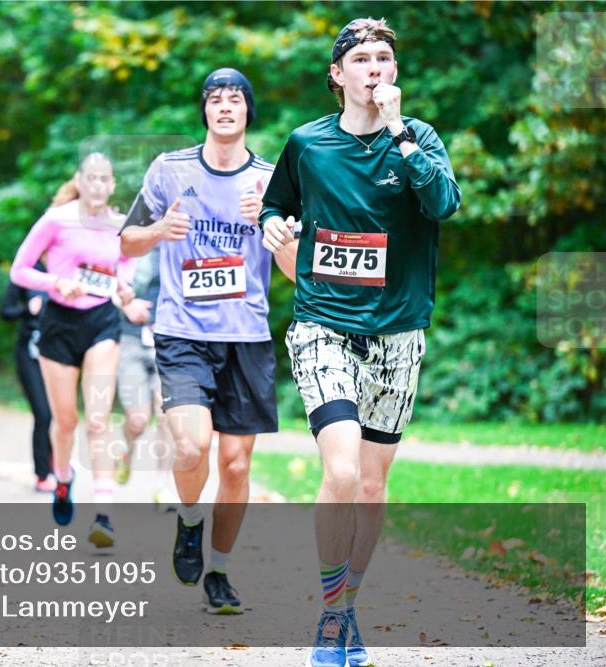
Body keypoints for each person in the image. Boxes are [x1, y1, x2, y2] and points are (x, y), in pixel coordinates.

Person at [259, 18, 461, 667]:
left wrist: (400, 133)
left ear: (393, 74)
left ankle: (347, 605)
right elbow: (274, 205)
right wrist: (271, 230)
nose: (375, 68)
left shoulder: (419, 140)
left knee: (372, 486)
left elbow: (444, 202)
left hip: (398, 332)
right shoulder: (307, 144)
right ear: (337, 74)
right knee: (341, 471)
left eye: (385, 58)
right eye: (362, 58)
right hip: (323, 323)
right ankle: (330, 612)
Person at [120, 68, 296, 615]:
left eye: (236, 99)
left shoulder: (272, 180)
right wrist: (159, 233)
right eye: (215, 99)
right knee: (193, 446)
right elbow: (127, 243)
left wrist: (273, 230)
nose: (225, 107)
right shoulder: (169, 170)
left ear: (248, 112)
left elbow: (297, 271)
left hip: (247, 337)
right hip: (181, 331)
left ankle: (219, 571)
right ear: (204, 111)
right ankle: (190, 521)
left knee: (238, 466)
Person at [10, 152, 135, 547]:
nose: (98, 185)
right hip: (59, 325)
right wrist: (54, 283)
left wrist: (124, 287)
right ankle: (63, 479)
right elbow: (20, 270)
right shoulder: (56, 220)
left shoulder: (120, 225)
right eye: (91, 178)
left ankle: (104, 515)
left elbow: (127, 263)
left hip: (101, 323)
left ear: (112, 185)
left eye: (105, 179)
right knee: (64, 422)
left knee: (97, 420)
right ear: (79, 181)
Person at [114, 246, 177, 508]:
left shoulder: (188, 240)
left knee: (166, 416)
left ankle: (162, 485)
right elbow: (110, 282)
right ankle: (126, 451)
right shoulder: (134, 240)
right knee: (138, 419)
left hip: (171, 338)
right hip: (132, 339)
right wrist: (126, 304)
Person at [0, 265, 54, 493]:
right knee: (43, 413)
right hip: (29, 354)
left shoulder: (68, 269)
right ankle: (42, 474)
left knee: (61, 414)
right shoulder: (27, 272)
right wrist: (27, 311)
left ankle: (56, 463)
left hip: (59, 353)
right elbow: (5, 311)